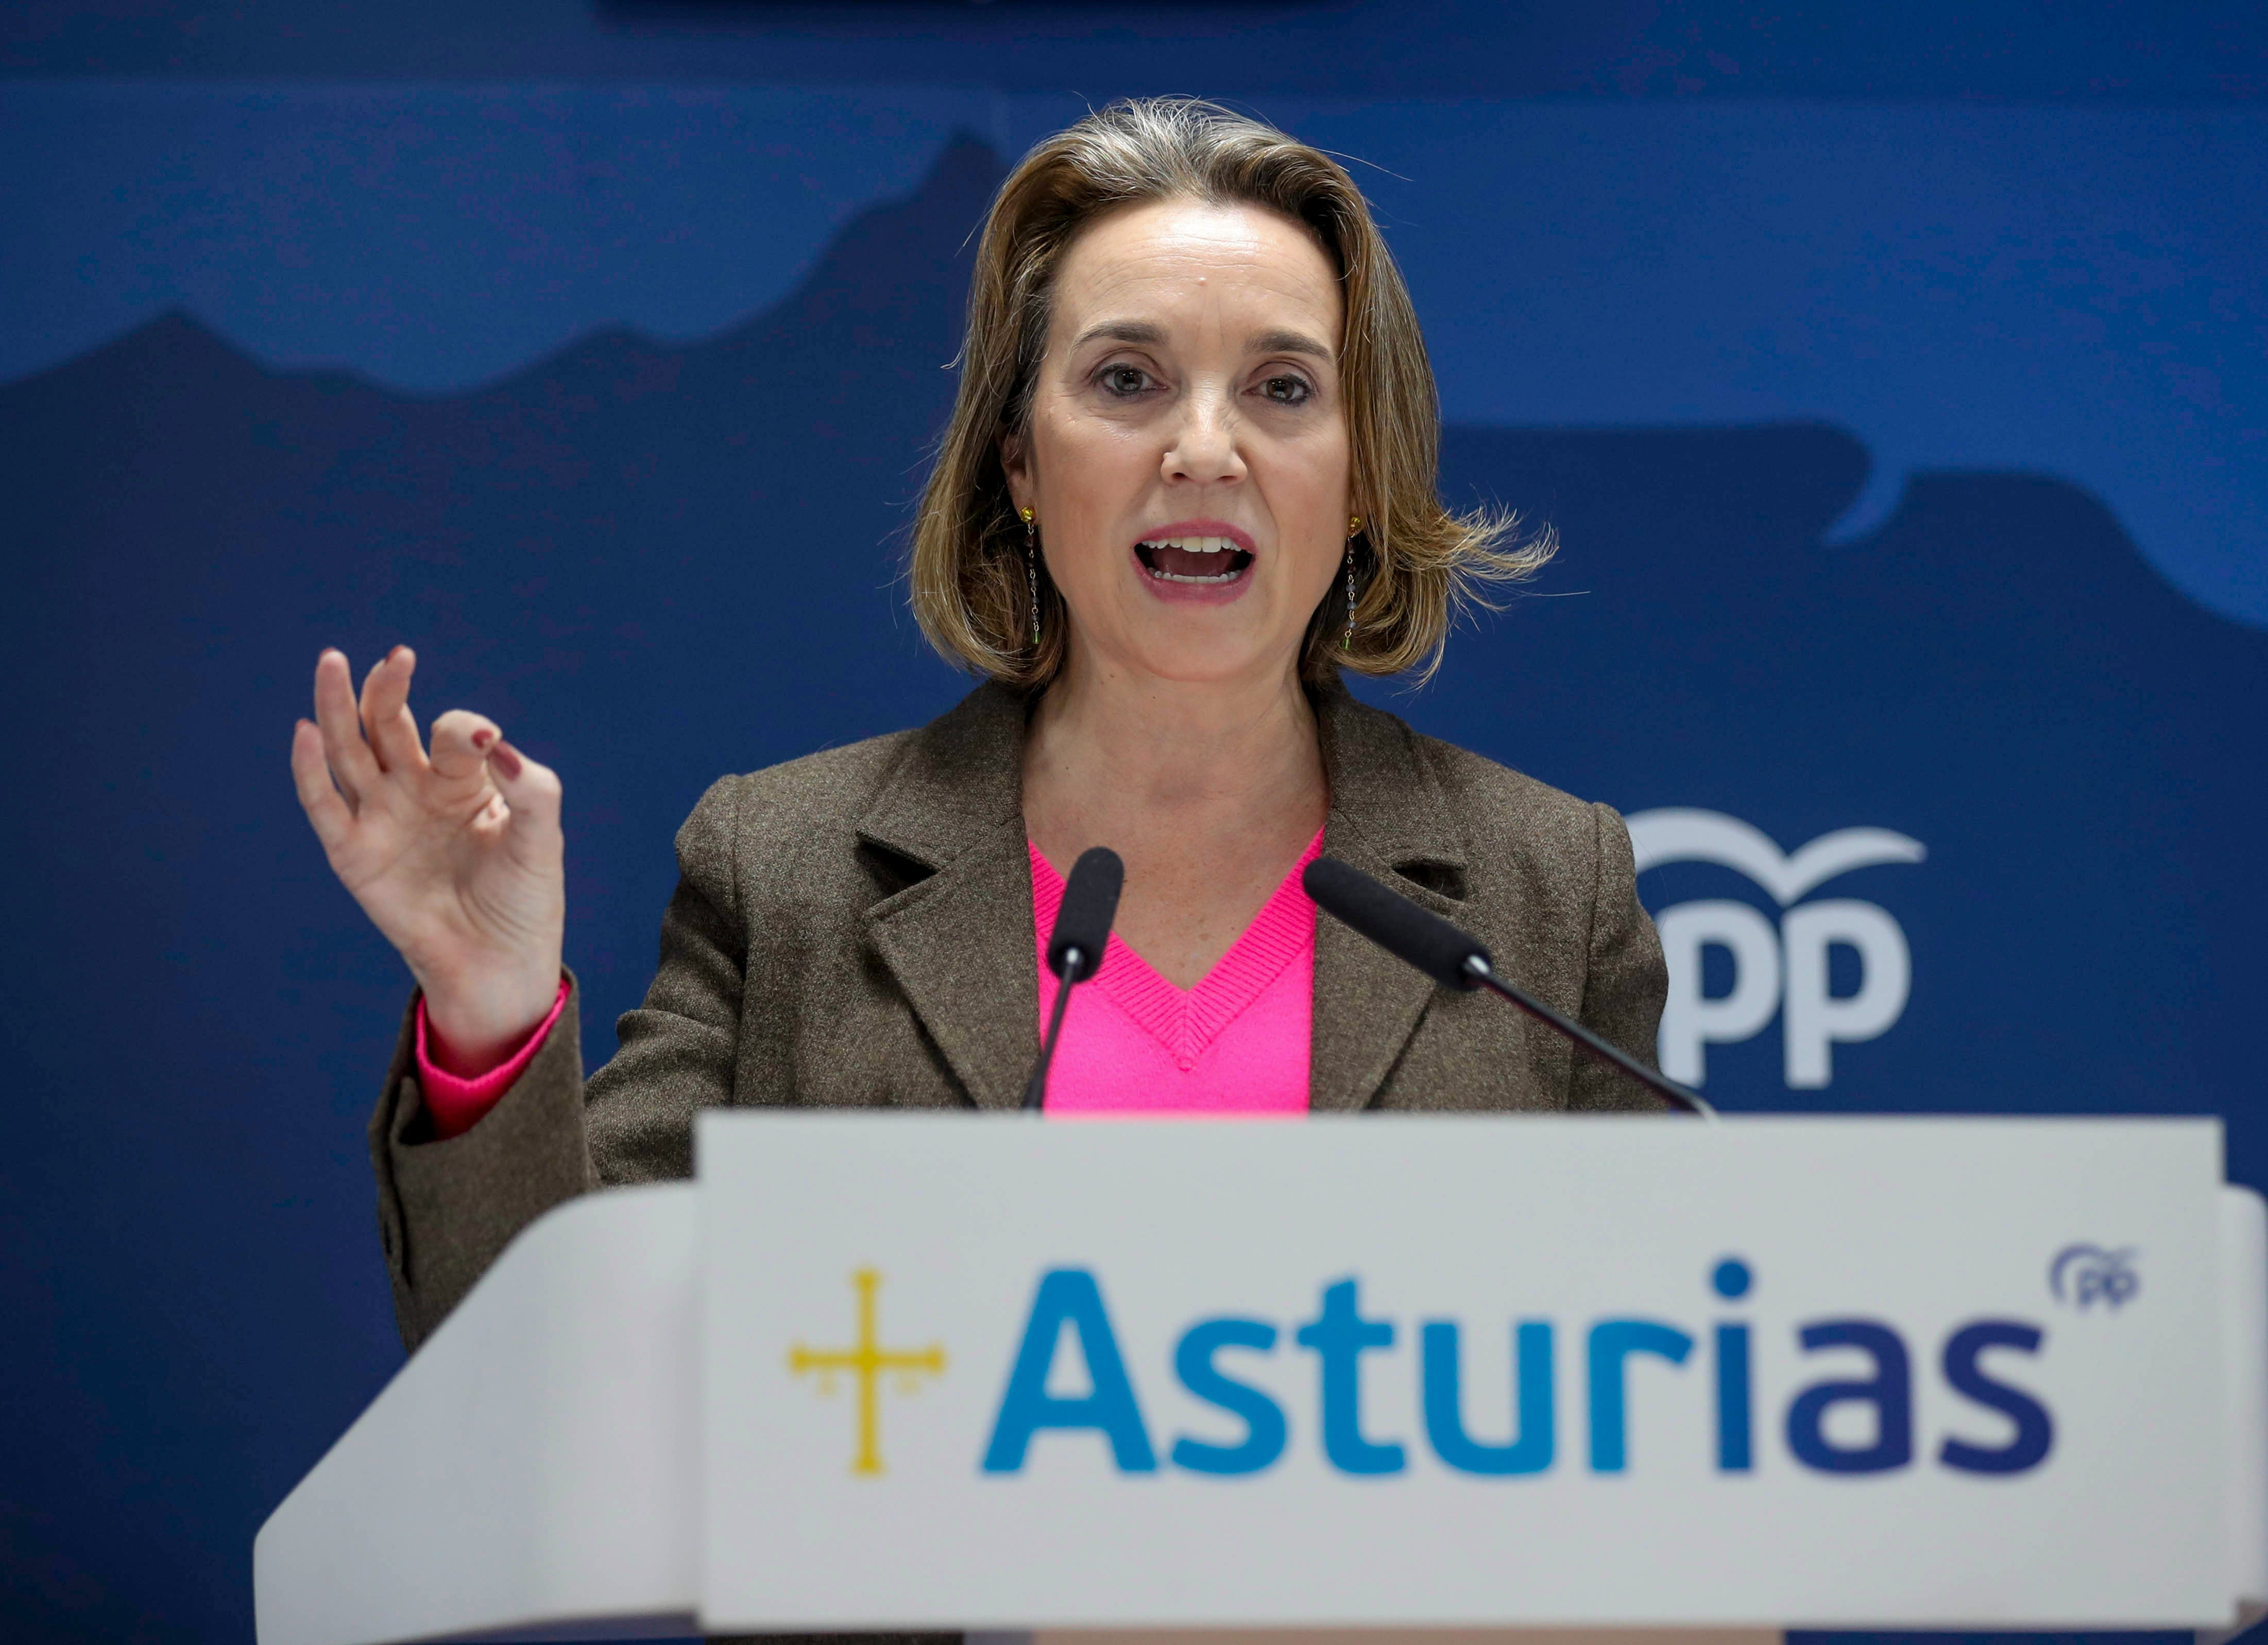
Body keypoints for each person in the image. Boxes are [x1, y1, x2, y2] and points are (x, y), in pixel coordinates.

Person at [290, 98, 1669, 1364]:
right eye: (1125, 381)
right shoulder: (786, 871)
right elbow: (544, 1375)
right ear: (1016, 460)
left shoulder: (1547, 891)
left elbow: (1654, 1395)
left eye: (1282, 388)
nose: (1203, 448)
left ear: (1364, 476)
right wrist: (491, 1016)